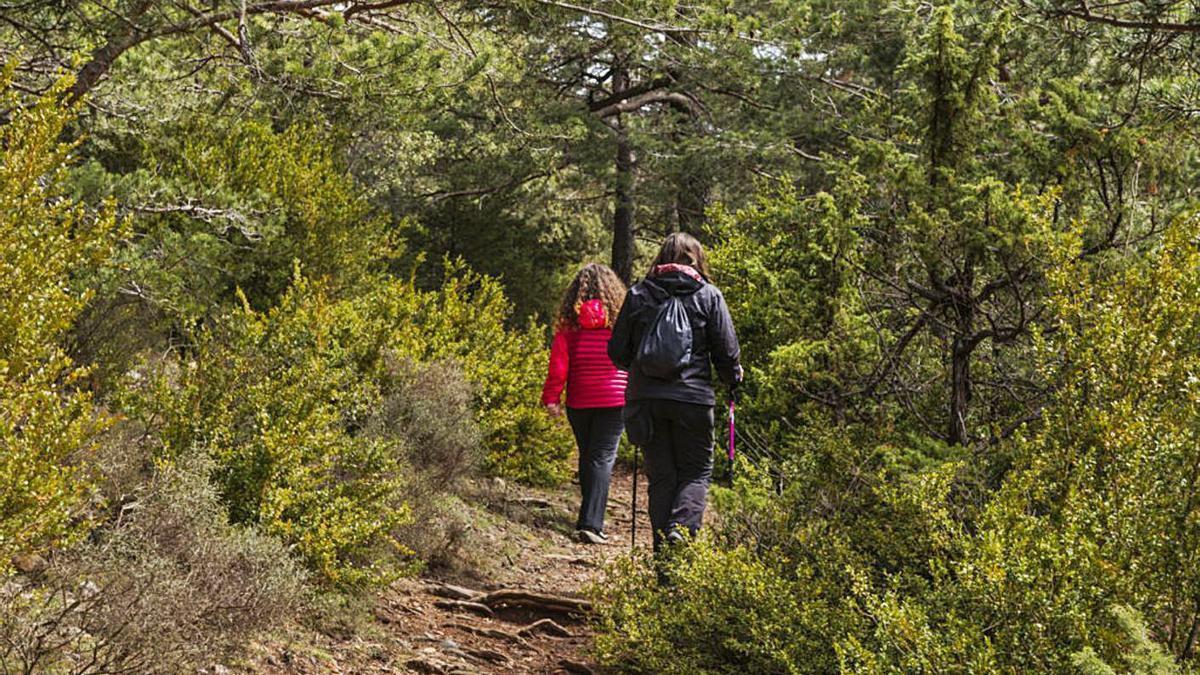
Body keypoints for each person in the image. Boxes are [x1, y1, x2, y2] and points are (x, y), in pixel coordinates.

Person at [608, 232, 741, 551]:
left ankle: (664, 565)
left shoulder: (639, 293)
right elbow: (727, 352)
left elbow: (617, 352)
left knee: (662, 479)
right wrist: (732, 379)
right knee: (696, 472)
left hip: (646, 401)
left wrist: (642, 368)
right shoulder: (709, 296)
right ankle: (681, 530)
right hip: (693, 400)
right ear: (697, 259)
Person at [542, 263, 629, 544]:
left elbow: (558, 366)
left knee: (589, 455)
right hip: (615, 399)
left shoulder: (569, 326)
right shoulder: (620, 323)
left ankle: (588, 518)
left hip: (579, 401)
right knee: (601, 457)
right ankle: (592, 523)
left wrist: (552, 398)